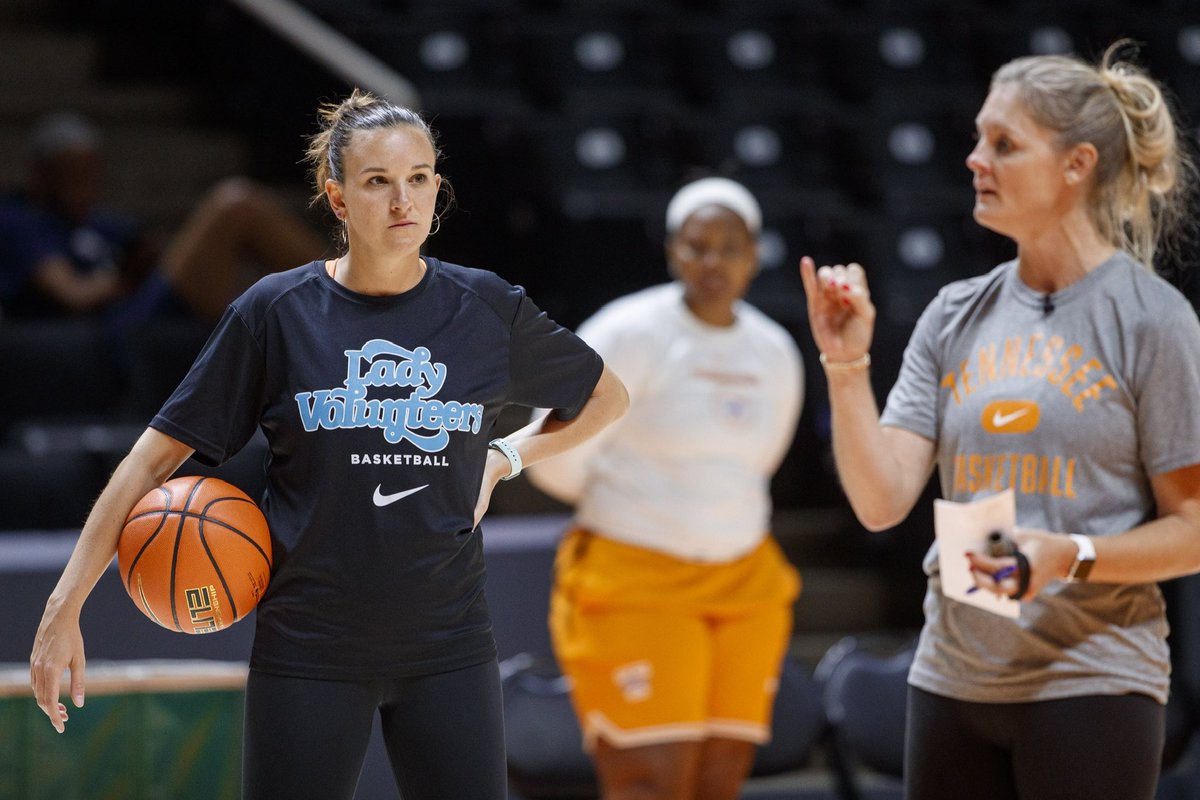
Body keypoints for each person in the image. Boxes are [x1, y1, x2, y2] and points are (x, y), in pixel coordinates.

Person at [29, 89, 629, 800]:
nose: (402, 200)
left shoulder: (487, 308)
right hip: (308, 651)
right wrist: (62, 608)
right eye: (377, 182)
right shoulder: (275, 313)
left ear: (438, 187)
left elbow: (606, 398)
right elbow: (152, 458)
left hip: (450, 649)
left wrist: (507, 458)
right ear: (338, 199)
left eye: (419, 178)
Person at [800, 41, 1200, 800]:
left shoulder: (1152, 319)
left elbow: (1193, 530)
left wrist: (1070, 554)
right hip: (952, 676)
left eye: (1004, 144)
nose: (975, 159)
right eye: (980, 137)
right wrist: (846, 367)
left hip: (1091, 678)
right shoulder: (955, 313)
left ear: (1076, 165)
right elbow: (883, 502)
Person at [526, 176, 803, 800]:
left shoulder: (774, 349)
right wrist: (630, 509)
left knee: (719, 777)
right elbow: (552, 448)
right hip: (637, 579)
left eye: (729, 247)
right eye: (697, 246)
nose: (713, 261)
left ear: (754, 257)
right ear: (674, 252)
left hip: (743, 583)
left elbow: (763, 459)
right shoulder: (630, 330)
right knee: (650, 779)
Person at [0, 110, 329, 328]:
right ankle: (356, 296)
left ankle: (345, 302)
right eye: (74, 177)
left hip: (145, 313)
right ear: (41, 175)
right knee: (234, 206)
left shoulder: (96, 222)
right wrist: (124, 279)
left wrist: (146, 259)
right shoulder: (23, 220)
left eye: (92, 176)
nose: (87, 189)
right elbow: (73, 293)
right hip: (115, 330)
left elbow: (146, 247)